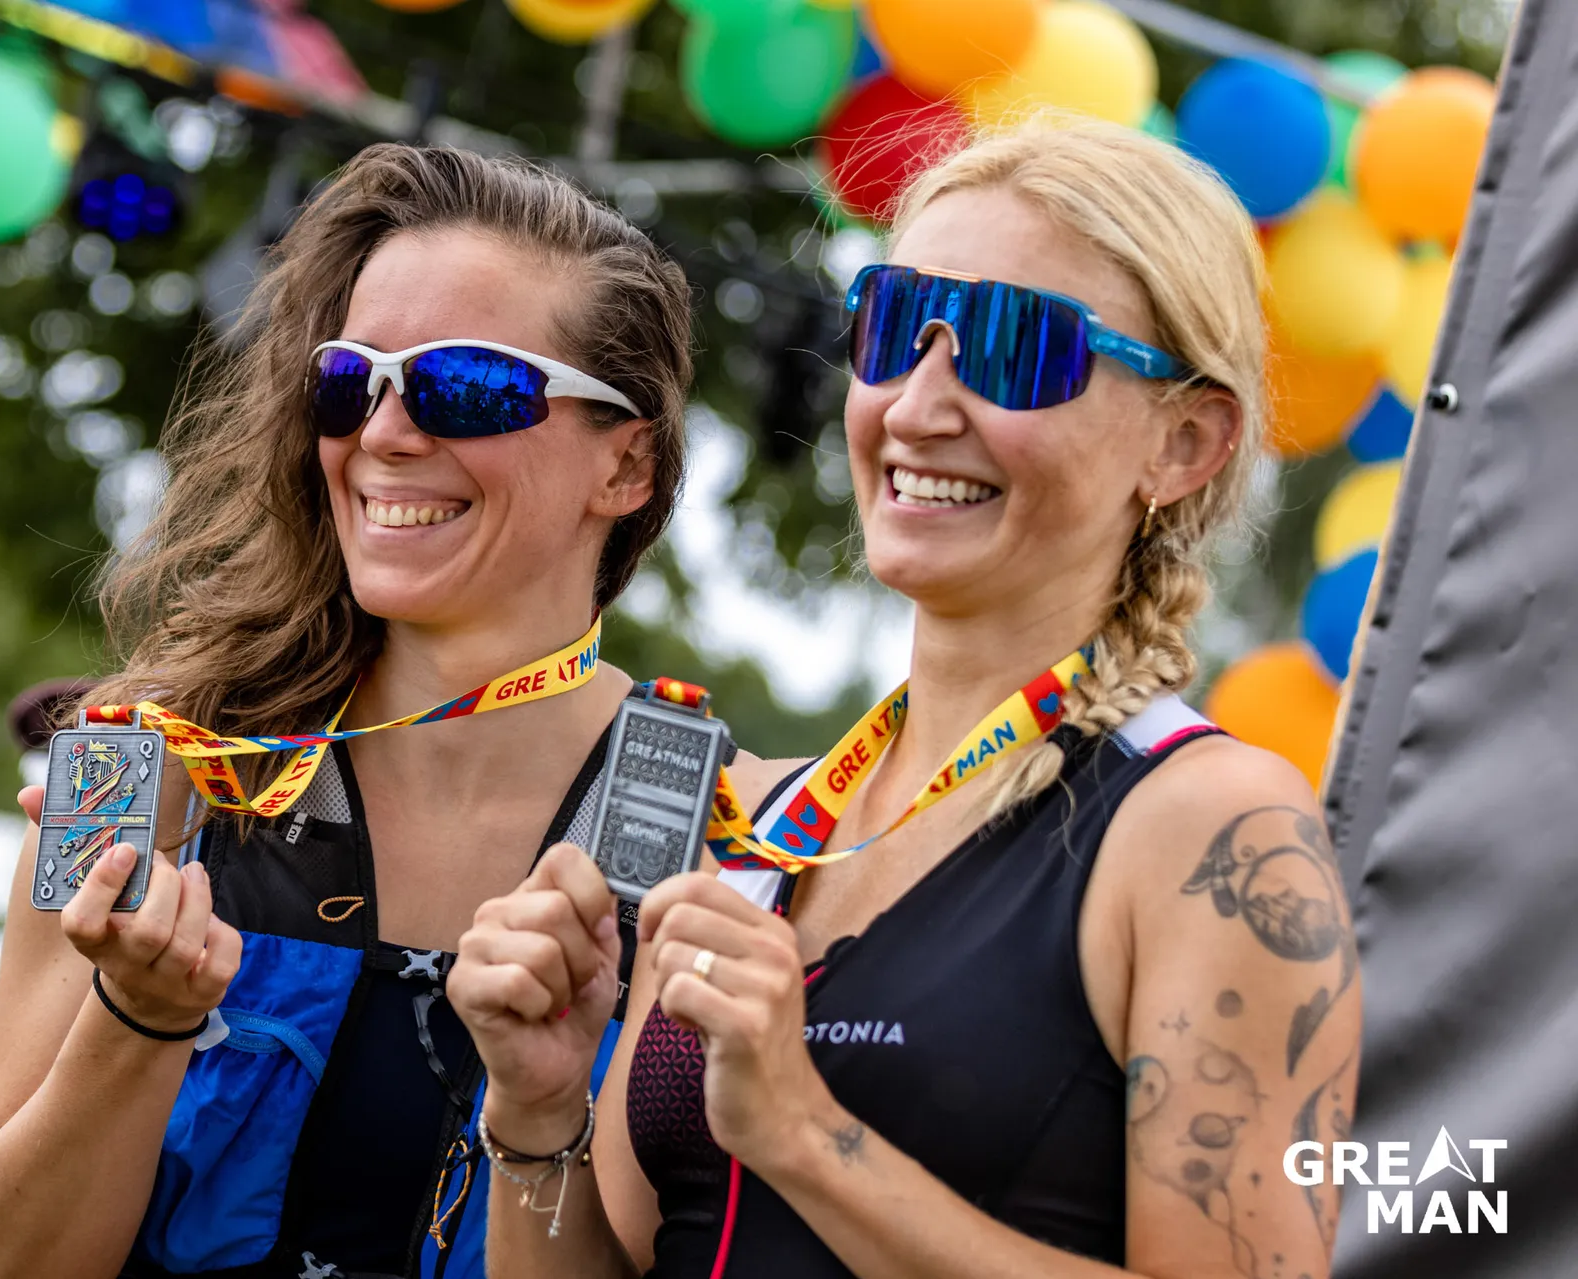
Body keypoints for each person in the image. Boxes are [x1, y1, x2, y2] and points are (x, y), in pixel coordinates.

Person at [449, 118, 1363, 1279]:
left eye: (1013, 348)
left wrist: (804, 1134)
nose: (918, 406)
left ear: (1183, 443)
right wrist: (537, 1112)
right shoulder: (757, 824)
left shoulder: (1212, 828)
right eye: (896, 328)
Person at [0, 145, 696, 1279]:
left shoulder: (723, 831)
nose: (383, 433)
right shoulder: (143, 765)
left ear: (627, 465)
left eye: (465, 385)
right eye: (349, 380)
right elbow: (3, 1261)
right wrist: (139, 1016)